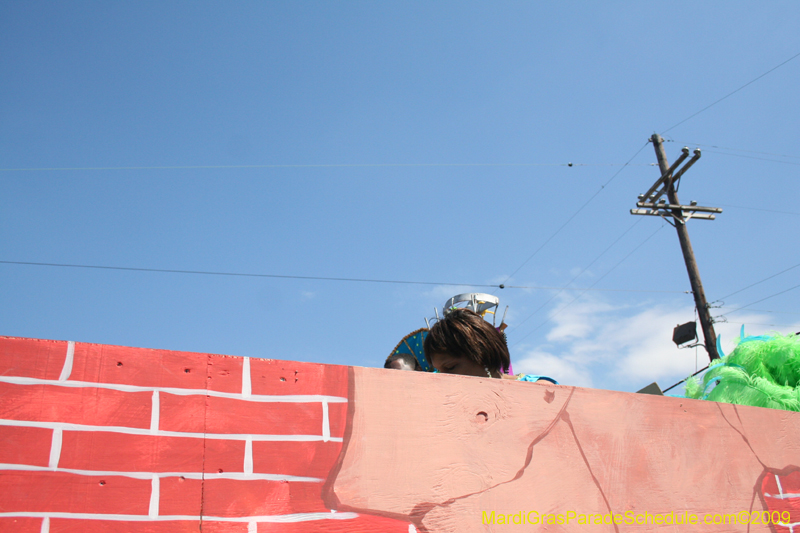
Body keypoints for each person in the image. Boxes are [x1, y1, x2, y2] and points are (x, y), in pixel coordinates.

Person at [423, 308, 557, 383]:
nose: (442, 377)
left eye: (451, 367)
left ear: (482, 354)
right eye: (439, 371)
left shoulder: (539, 389)